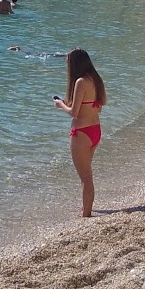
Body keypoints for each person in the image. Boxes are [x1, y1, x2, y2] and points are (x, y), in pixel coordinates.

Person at [52, 49, 106, 217]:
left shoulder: (80, 82)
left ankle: (87, 215)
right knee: (86, 173)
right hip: (95, 130)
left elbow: (74, 112)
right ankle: (86, 208)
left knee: (85, 177)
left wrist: (61, 104)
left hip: (81, 133)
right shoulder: (95, 80)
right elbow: (96, 106)